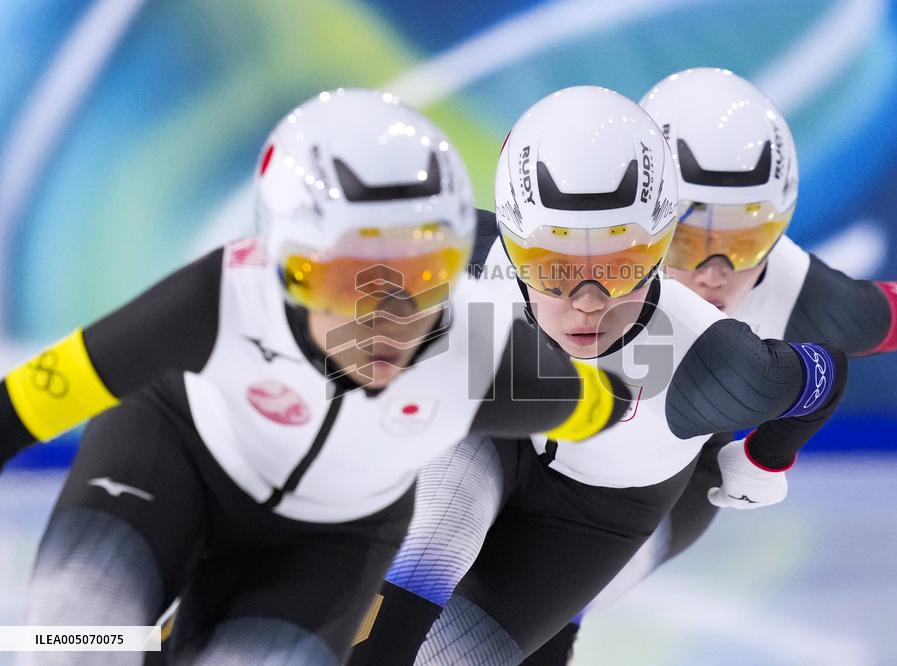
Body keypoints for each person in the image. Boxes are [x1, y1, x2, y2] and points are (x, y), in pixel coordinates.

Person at [0, 89, 631, 665]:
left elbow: (601, 405)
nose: (386, 315)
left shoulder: (486, 347)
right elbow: (26, 403)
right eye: (342, 277)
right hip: (164, 470)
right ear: (282, 266)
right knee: (72, 642)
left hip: (325, 546)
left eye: (423, 273)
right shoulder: (220, 297)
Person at [347, 85, 849, 666]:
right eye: (553, 267)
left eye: (622, 267)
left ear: (664, 247)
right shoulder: (458, 258)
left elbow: (825, 373)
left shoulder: (711, 365)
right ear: (509, 243)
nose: (588, 302)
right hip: (488, 436)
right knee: (426, 542)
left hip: (584, 518)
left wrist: (768, 457)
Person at [524, 67, 897, 665]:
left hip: (675, 480)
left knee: (549, 607)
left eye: (746, 241)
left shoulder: (811, 296)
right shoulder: (548, 263)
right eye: (686, 243)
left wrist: (763, 457)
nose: (714, 272)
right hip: (551, 444)